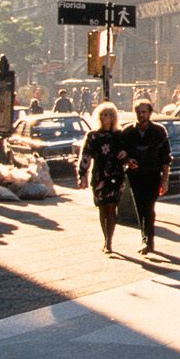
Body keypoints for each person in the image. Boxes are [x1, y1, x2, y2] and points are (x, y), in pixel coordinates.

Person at [119, 100, 171, 257]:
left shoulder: (159, 131)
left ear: (150, 113)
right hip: (135, 175)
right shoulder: (128, 131)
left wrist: (165, 179)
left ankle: (147, 240)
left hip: (153, 174)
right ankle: (146, 239)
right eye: (139, 112)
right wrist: (127, 160)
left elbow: (165, 158)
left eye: (144, 112)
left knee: (149, 207)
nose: (141, 115)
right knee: (141, 208)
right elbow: (121, 152)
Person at [78, 102, 129, 255]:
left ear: (113, 117)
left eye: (107, 114)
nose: (103, 117)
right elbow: (85, 156)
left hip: (116, 175)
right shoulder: (93, 136)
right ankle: (105, 238)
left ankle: (109, 242)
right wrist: (82, 175)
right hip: (99, 175)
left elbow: (128, 151)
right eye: (101, 114)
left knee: (112, 207)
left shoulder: (119, 135)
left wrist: (125, 155)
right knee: (102, 207)